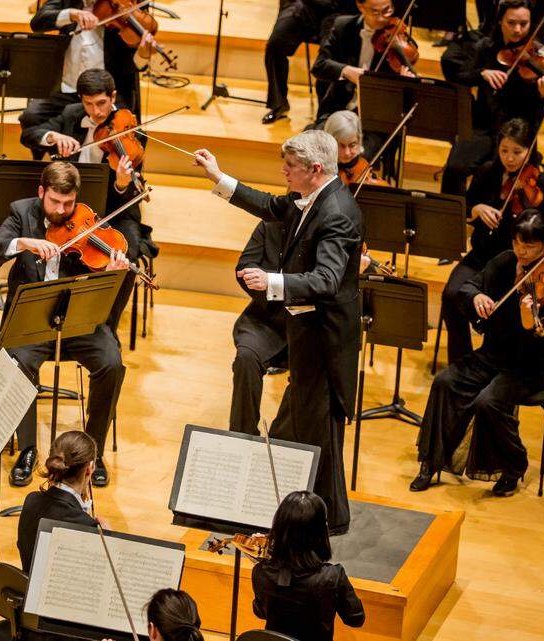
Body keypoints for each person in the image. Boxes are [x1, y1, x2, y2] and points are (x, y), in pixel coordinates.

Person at [194, 130, 361, 535]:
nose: (283, 171)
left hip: (326, 338)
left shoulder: (336, 212)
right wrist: (219, 177)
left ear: (315, 169)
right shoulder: (312, 198)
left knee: (321, 431)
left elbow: (326, 280)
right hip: (307, 331)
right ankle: (315, 514)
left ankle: (330, 522)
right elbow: (269, 205)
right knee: (308, 426)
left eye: (292, 166)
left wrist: (272, 281)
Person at [0, 162, 129, 489]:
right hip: (32, 321)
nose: (62, 211)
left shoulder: (88, 222)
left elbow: (111, 291)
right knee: (16, 363)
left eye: (68, 204)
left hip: (79, 321)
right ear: (41, 193)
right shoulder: (21, 213)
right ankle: (29, 449)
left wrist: (112, 273)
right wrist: (22, 243)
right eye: (54, 203)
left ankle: (92, 453)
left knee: (112, 365)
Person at [412, 210, 544, 497]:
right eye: (519, 242)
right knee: (445, 381)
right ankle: (431, 462)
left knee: (488, 403)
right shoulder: (505, 262)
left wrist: (528, 320)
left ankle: (514, 464)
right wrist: (477, 296)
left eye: (531, 246)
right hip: (493, 355)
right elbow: (468, 286)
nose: (522, 251)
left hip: (528, 367)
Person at [19, 68, 154, 329]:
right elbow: (29, 133)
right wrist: (52, 137)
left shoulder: (129, 130)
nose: (97, 112)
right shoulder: (71, 116)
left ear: (113, 96)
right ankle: (47, 315)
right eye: (89, 104)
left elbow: (130, 197)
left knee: (128, 254)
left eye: (102, 103)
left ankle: (106, 326)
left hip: (115, 210)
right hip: (69, 213)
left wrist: (121, 183)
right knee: (35, 237)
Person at [442, 118, 544, 364]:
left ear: (529, 150)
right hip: (480, 256)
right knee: (451, 295)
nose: (509, 158)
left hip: (512, 264)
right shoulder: (487, 171)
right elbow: (466, 206)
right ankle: (462, 363)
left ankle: (496, 364)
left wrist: (520, 221)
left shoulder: (537, 184)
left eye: (517, 152)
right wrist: (477, 209)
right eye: (504, 151)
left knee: (503, 309)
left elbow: (543, 229)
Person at [439, 0, 544, 196]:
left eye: (524, 24)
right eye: (511, 23)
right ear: (500, 22)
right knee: (454, 170)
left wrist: (543, 95)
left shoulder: (541, 54)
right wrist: (481, 74)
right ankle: (452, 218)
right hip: (483, 127)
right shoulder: (485, 48)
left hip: (516, 131)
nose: (518, 30)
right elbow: (457, 74)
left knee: (494, 176)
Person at [20, 0, 155, 158]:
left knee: (124, 131)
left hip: (106, 93)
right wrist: (72, 14)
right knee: (31, 117)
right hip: (66, 87)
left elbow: (131, 64)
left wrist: (144, 54)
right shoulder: (68, 1)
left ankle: (117, 178)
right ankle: (54, 158)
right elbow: (38, 22)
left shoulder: (121, 6)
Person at [252, 491, 365, 641]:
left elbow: (261, 612)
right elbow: (355, 619)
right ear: (321, 531)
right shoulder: (333, 576)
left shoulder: (261, 571)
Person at [310, 0, 413, 159]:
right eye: (375, 12)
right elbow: (319, 65)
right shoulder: (343, 26)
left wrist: (406, 80)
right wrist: (347, 71)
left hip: (375, 122)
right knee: (312, 151)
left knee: (358, 157)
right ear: (360, 7)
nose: (382, 18)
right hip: (337, 111)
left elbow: (409, 85)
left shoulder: (398, 37)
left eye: (387, 10)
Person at [229, 218, 287, 435]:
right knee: (246, 357)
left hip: (311, 323)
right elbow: (245, 264)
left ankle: (282, 439)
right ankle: (241, 435)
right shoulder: (272, 223)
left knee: (312, 372)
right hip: (267, 315)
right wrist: (265, 284)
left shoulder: (332, 225)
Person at [17, 431, 101, 572]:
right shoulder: (86, 524)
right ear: (89, 469)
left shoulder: (31, 501)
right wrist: (109, 539)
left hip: (26, 589)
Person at [262, 0, 356, 124]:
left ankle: (325, 115)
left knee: (329, 58)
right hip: (304, 6)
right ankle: (279, 103)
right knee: (275, 45)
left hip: (338, 10)